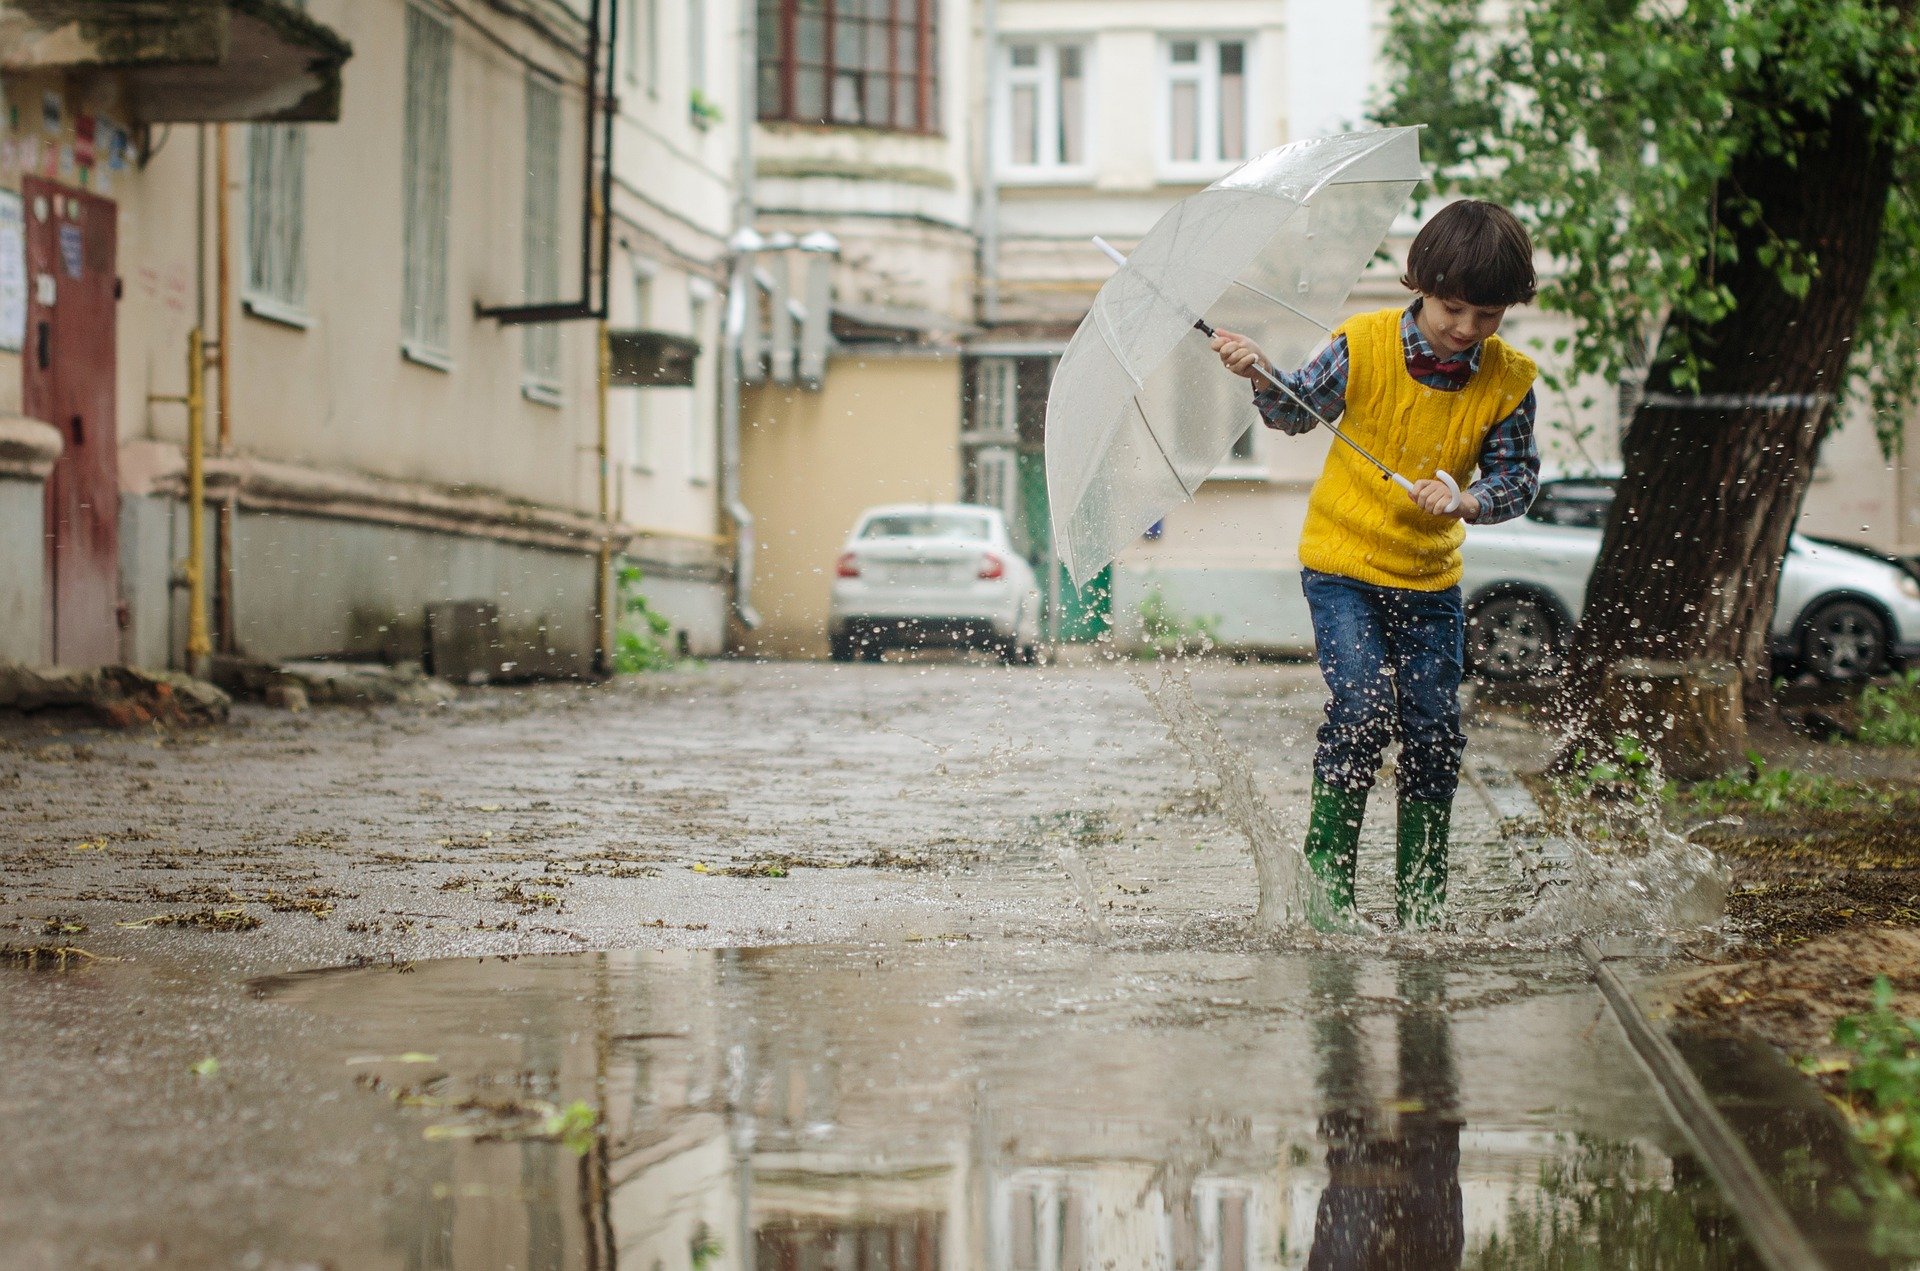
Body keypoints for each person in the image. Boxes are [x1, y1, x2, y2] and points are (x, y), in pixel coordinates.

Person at [1210, 199, 1541, 932]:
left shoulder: (1509, 381)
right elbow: (1294, 412)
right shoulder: (1361, 346)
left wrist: (1469, 499)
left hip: (1430, 580)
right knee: (1361, 713)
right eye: (1453, 307)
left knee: (1432, 732)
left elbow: (1517, 481)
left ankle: (1422, 909)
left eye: (1488, 315)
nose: (1466, 329)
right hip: (1343, 567)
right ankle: (1327, 904)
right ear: (1419, 284)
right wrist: (1261, 371)